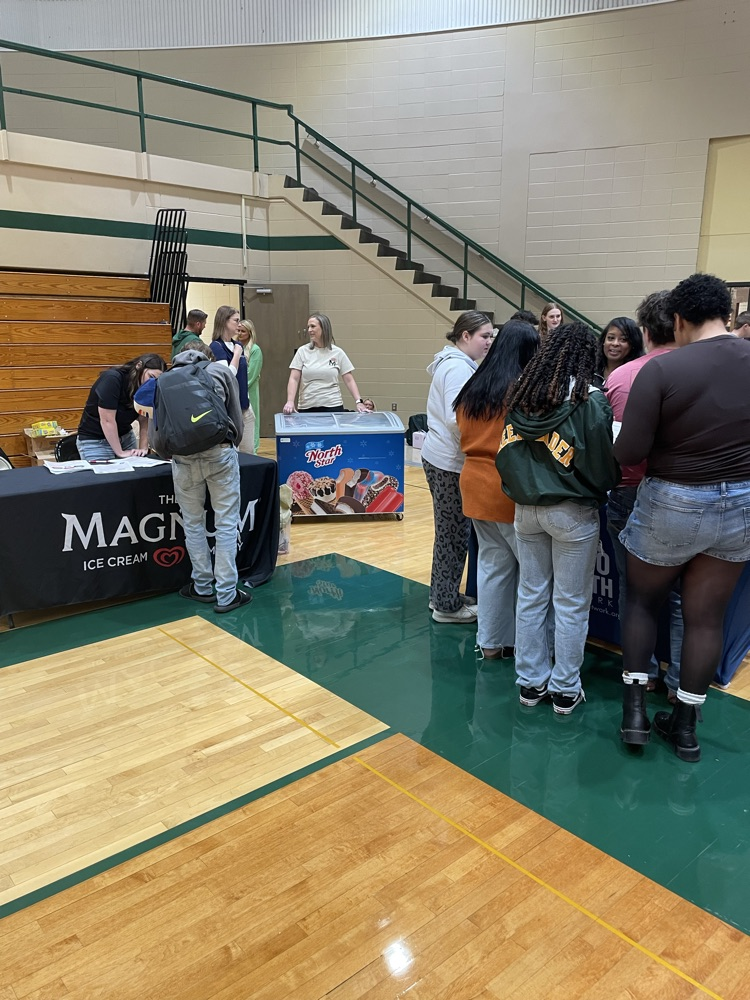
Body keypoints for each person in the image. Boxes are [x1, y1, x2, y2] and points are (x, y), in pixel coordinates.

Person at [615, 273, 750, 762]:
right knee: (705, 618)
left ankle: (635, 716)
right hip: (741, 502)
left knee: (643, 603)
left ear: (677, 319)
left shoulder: (663, 369)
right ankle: (686, 728)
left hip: (673, 499)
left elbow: (629, 452)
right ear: (729, 315)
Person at [496, 322, 620, 714]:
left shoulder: (523, 393)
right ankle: (565, 688)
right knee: (570, 602)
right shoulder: (591, 399)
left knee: (531, 595)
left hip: (525, 509)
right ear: (590, 356)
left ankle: (530, 684)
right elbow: (602, 465)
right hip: (572, 510)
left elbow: (506, 454)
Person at [605, 292, 682, 704]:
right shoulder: (697, 372)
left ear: (645, 332)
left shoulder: (620, 378)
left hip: (628, 490)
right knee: (683, 597)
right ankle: (680, 684)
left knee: (635, 592)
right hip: (683, 492)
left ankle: (642, 675)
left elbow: (613, 444)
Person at [455, 320, 540, 656]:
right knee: (530, 577)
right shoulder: (520, 390)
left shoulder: (474, 385)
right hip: (506, 486)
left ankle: (490, 643)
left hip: (473, 483)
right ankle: (526, 648)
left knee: (491, 567)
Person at [149, 340, 251, 615]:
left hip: (182, 460)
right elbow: (236, 418)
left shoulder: (165, 380)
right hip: (219, 453)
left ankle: (202, 586)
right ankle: (227, 594)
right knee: (226, 522)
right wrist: (230, 444)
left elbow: (156, 434)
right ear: (207, 355)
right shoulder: (220, 372)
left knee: (193, 523)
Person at [421, 311, 494, 623]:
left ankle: (442, 594)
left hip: (441, 457)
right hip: (448, 462)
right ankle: (446, 607)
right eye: (484, 336)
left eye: (491, 336)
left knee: (448, 532)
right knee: (453, 534)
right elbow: (456, 419)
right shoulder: (457, 369)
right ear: (465, 336)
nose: (490, 342)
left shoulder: (455, 363)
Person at [77, 353, 167, 460]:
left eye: (156, 381)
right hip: (95, 441)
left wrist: (143, 450)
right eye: (150, 377)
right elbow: (107, 420)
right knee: (107, 476)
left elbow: (145, 420)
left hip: (125, 437)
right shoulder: (112, 379)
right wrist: (120, 452)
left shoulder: (147, 389)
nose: (152, 383)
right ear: (139, 366)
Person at [283, 314, 368, 414]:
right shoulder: (302, 351)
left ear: (324, 328)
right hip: (307, 406)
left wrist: (359, 402)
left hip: (333, 406)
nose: (309, 330)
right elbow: (294, 378)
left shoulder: (337, 352)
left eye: (313, 326)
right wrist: (290, 401)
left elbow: (349, 380)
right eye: (308, 327)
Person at [210, 305, 255, 454]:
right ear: (224, 321)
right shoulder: (216, 346)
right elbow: (227, 375)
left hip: (245, 406)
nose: (239, 324)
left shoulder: (237, 345)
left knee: (249, 453)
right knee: (233, 455)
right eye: (236, 320)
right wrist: (236, 354)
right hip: (229, 410)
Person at [237, 318, 263, 453]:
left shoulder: (255, 350)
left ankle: (254, 450)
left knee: (252, 420)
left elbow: (251, 375)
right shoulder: (234, 347)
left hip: (249, 390)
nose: (240, 333)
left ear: (249, 333)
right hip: (235, 390)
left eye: (243, 331)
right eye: (238, 330)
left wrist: (240, 386)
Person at [594, 316, 644, 386]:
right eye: (611, 338)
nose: (615, 343)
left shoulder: (638, 375)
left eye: (623, 339)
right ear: (603, 341)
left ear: (633, 344)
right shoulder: (591, 369)